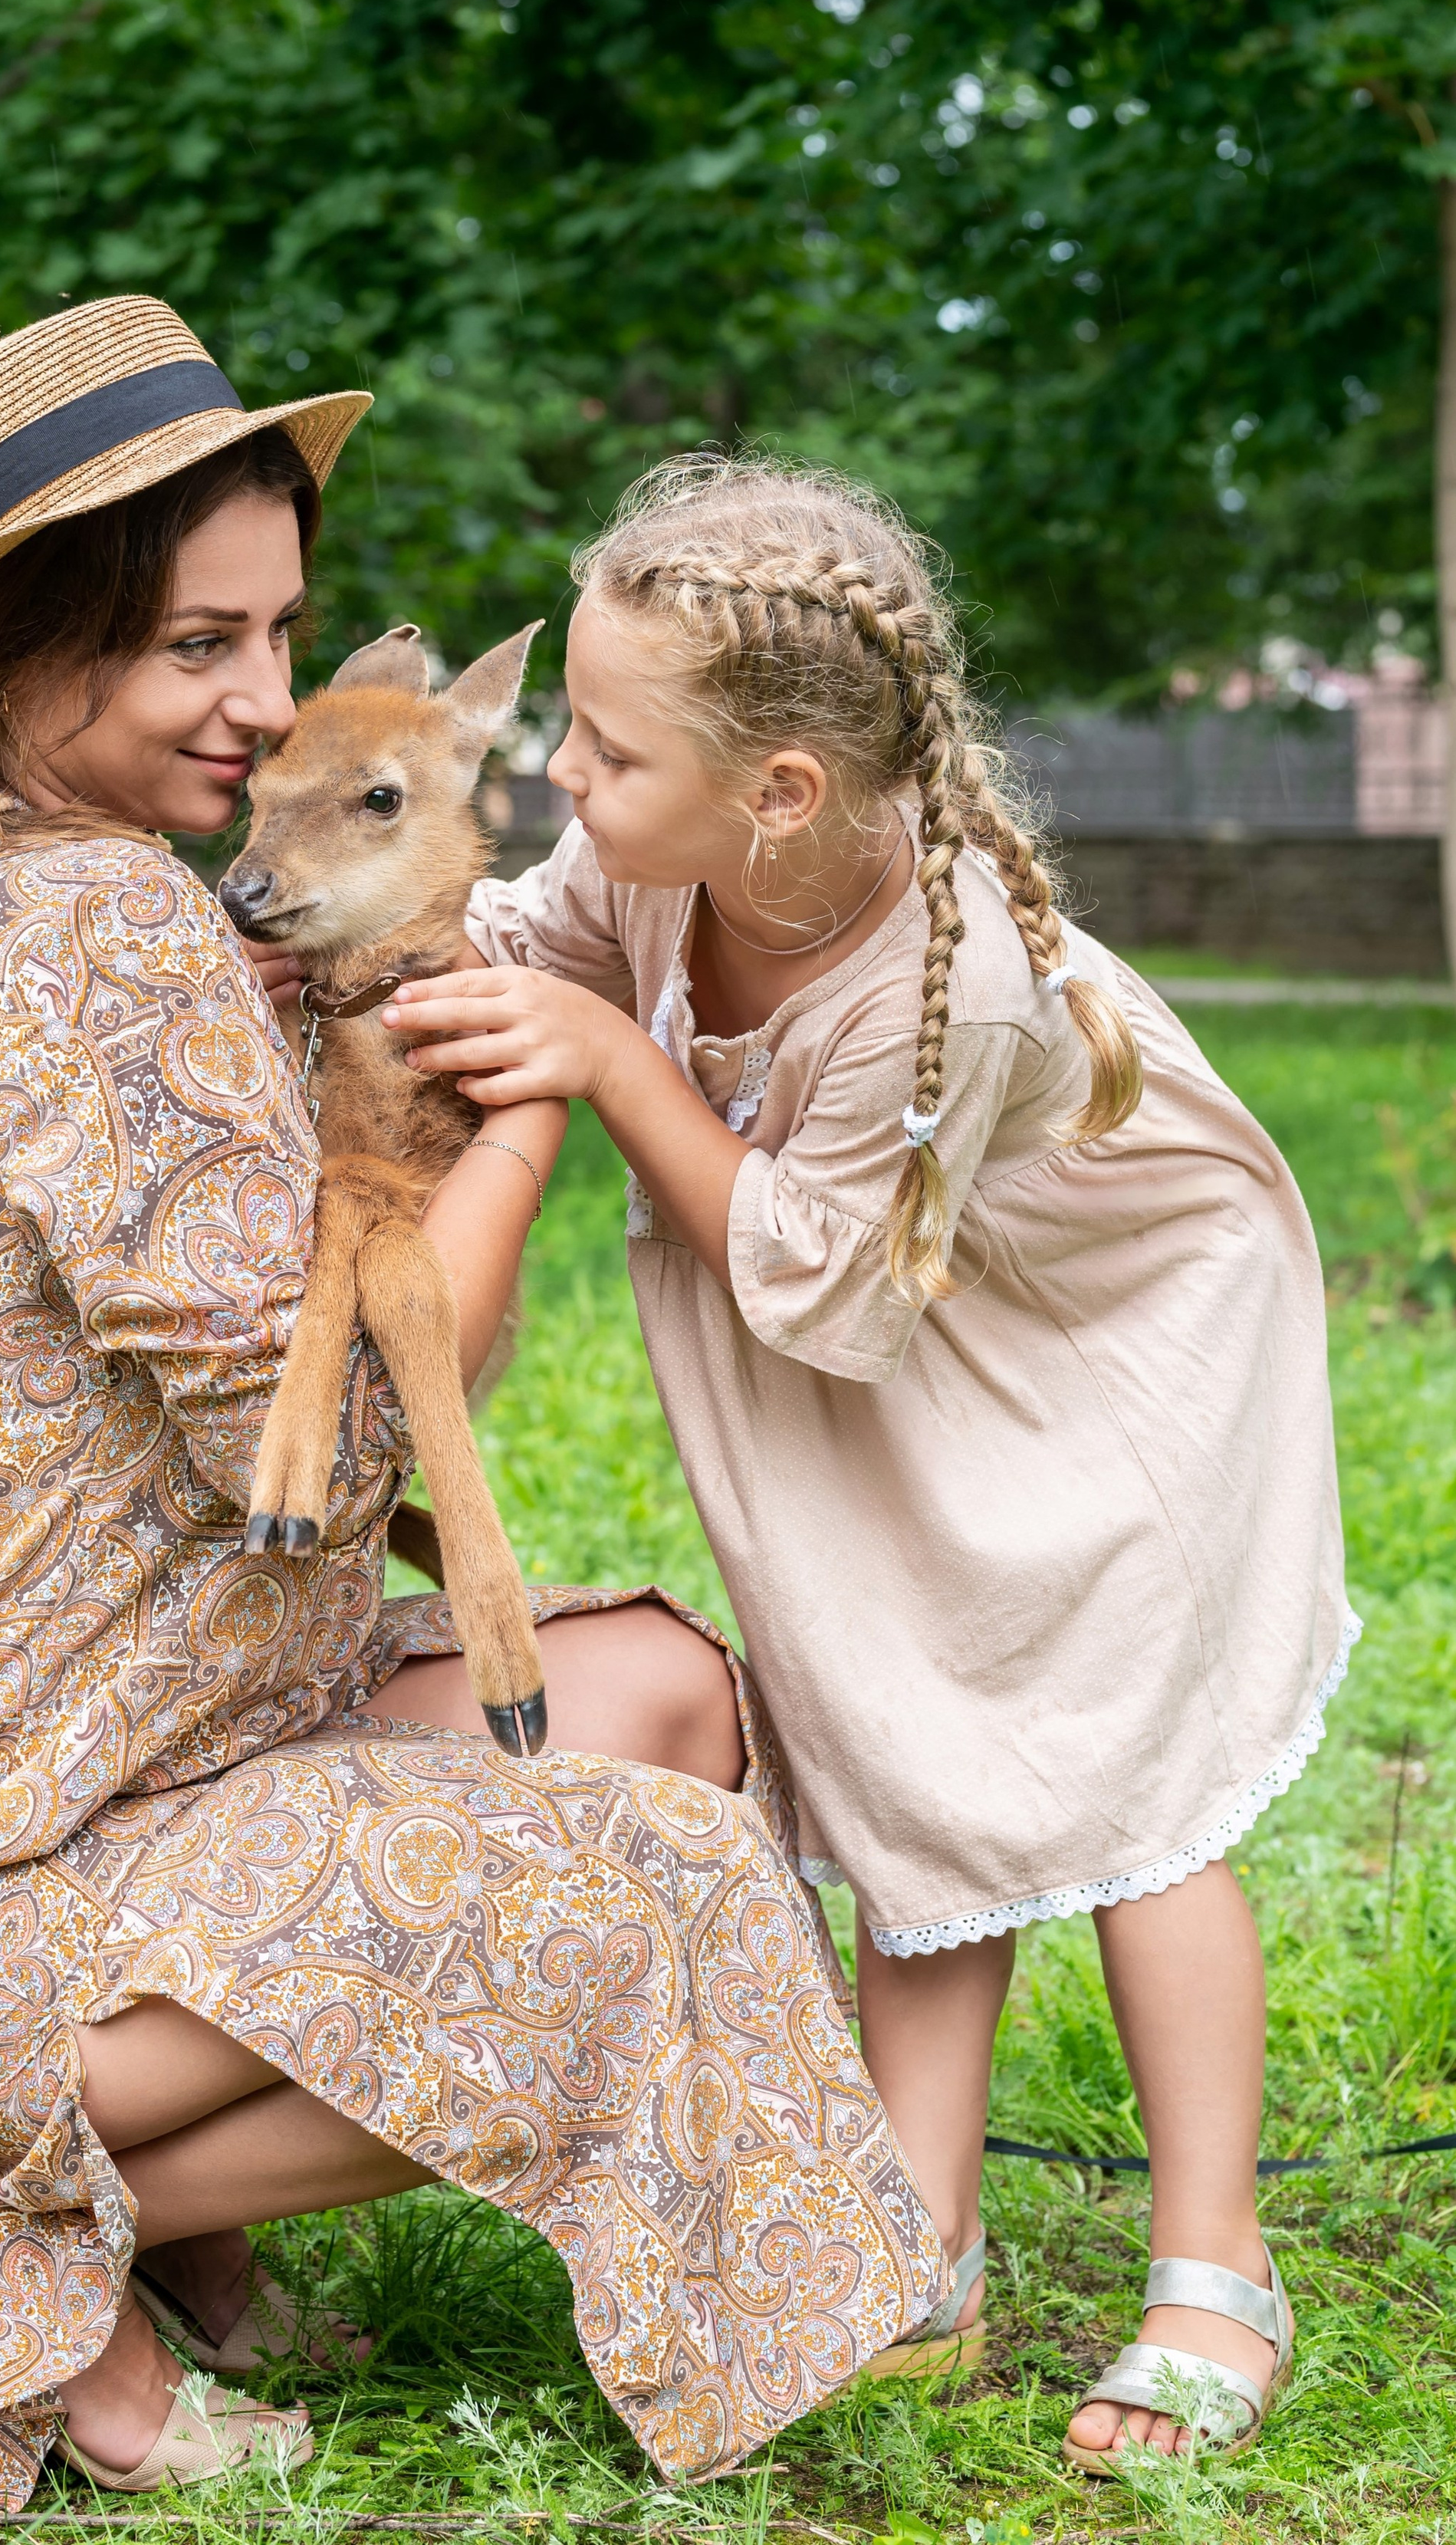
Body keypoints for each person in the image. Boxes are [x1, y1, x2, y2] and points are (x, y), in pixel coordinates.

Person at [0, 308, 943, 2543]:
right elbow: (336, 1431)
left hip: (76, 1772)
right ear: (25, 643)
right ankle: (40, 2297)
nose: (265, 699)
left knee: (660, 1696)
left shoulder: (35, 870)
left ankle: (177, 2232)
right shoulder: (99, 937)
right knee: (657, 1891)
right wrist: (534, 1112)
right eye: (199, 641)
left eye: (280, 630)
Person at [376, 452, 1352, 2478]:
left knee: (1128, 1781)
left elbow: (818, 1283)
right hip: (898, 1336)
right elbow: (529, 939)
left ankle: (1213, 2263)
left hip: (1108, 1336)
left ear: (783, 793)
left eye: (608, 747)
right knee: (908, 1725)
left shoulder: (951, 967)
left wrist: (625, 1070)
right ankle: (917, 2243)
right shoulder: (657, 847)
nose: (568, 770)